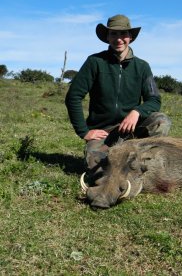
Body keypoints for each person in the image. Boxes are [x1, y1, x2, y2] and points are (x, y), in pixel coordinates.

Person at [65, 14, 171, 180]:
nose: (119, 39)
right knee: (92, 165)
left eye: (123, 34)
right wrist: (84, 132)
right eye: (113, 34)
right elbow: (73, 96)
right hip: (103, 133)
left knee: (161, 122)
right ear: (107, 37)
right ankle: (126, 164)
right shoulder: (94, 62)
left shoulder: (142, 67)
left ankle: (139, 161)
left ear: (130, 37)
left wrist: (136, 112)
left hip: (132, 130)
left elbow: (154, 99)